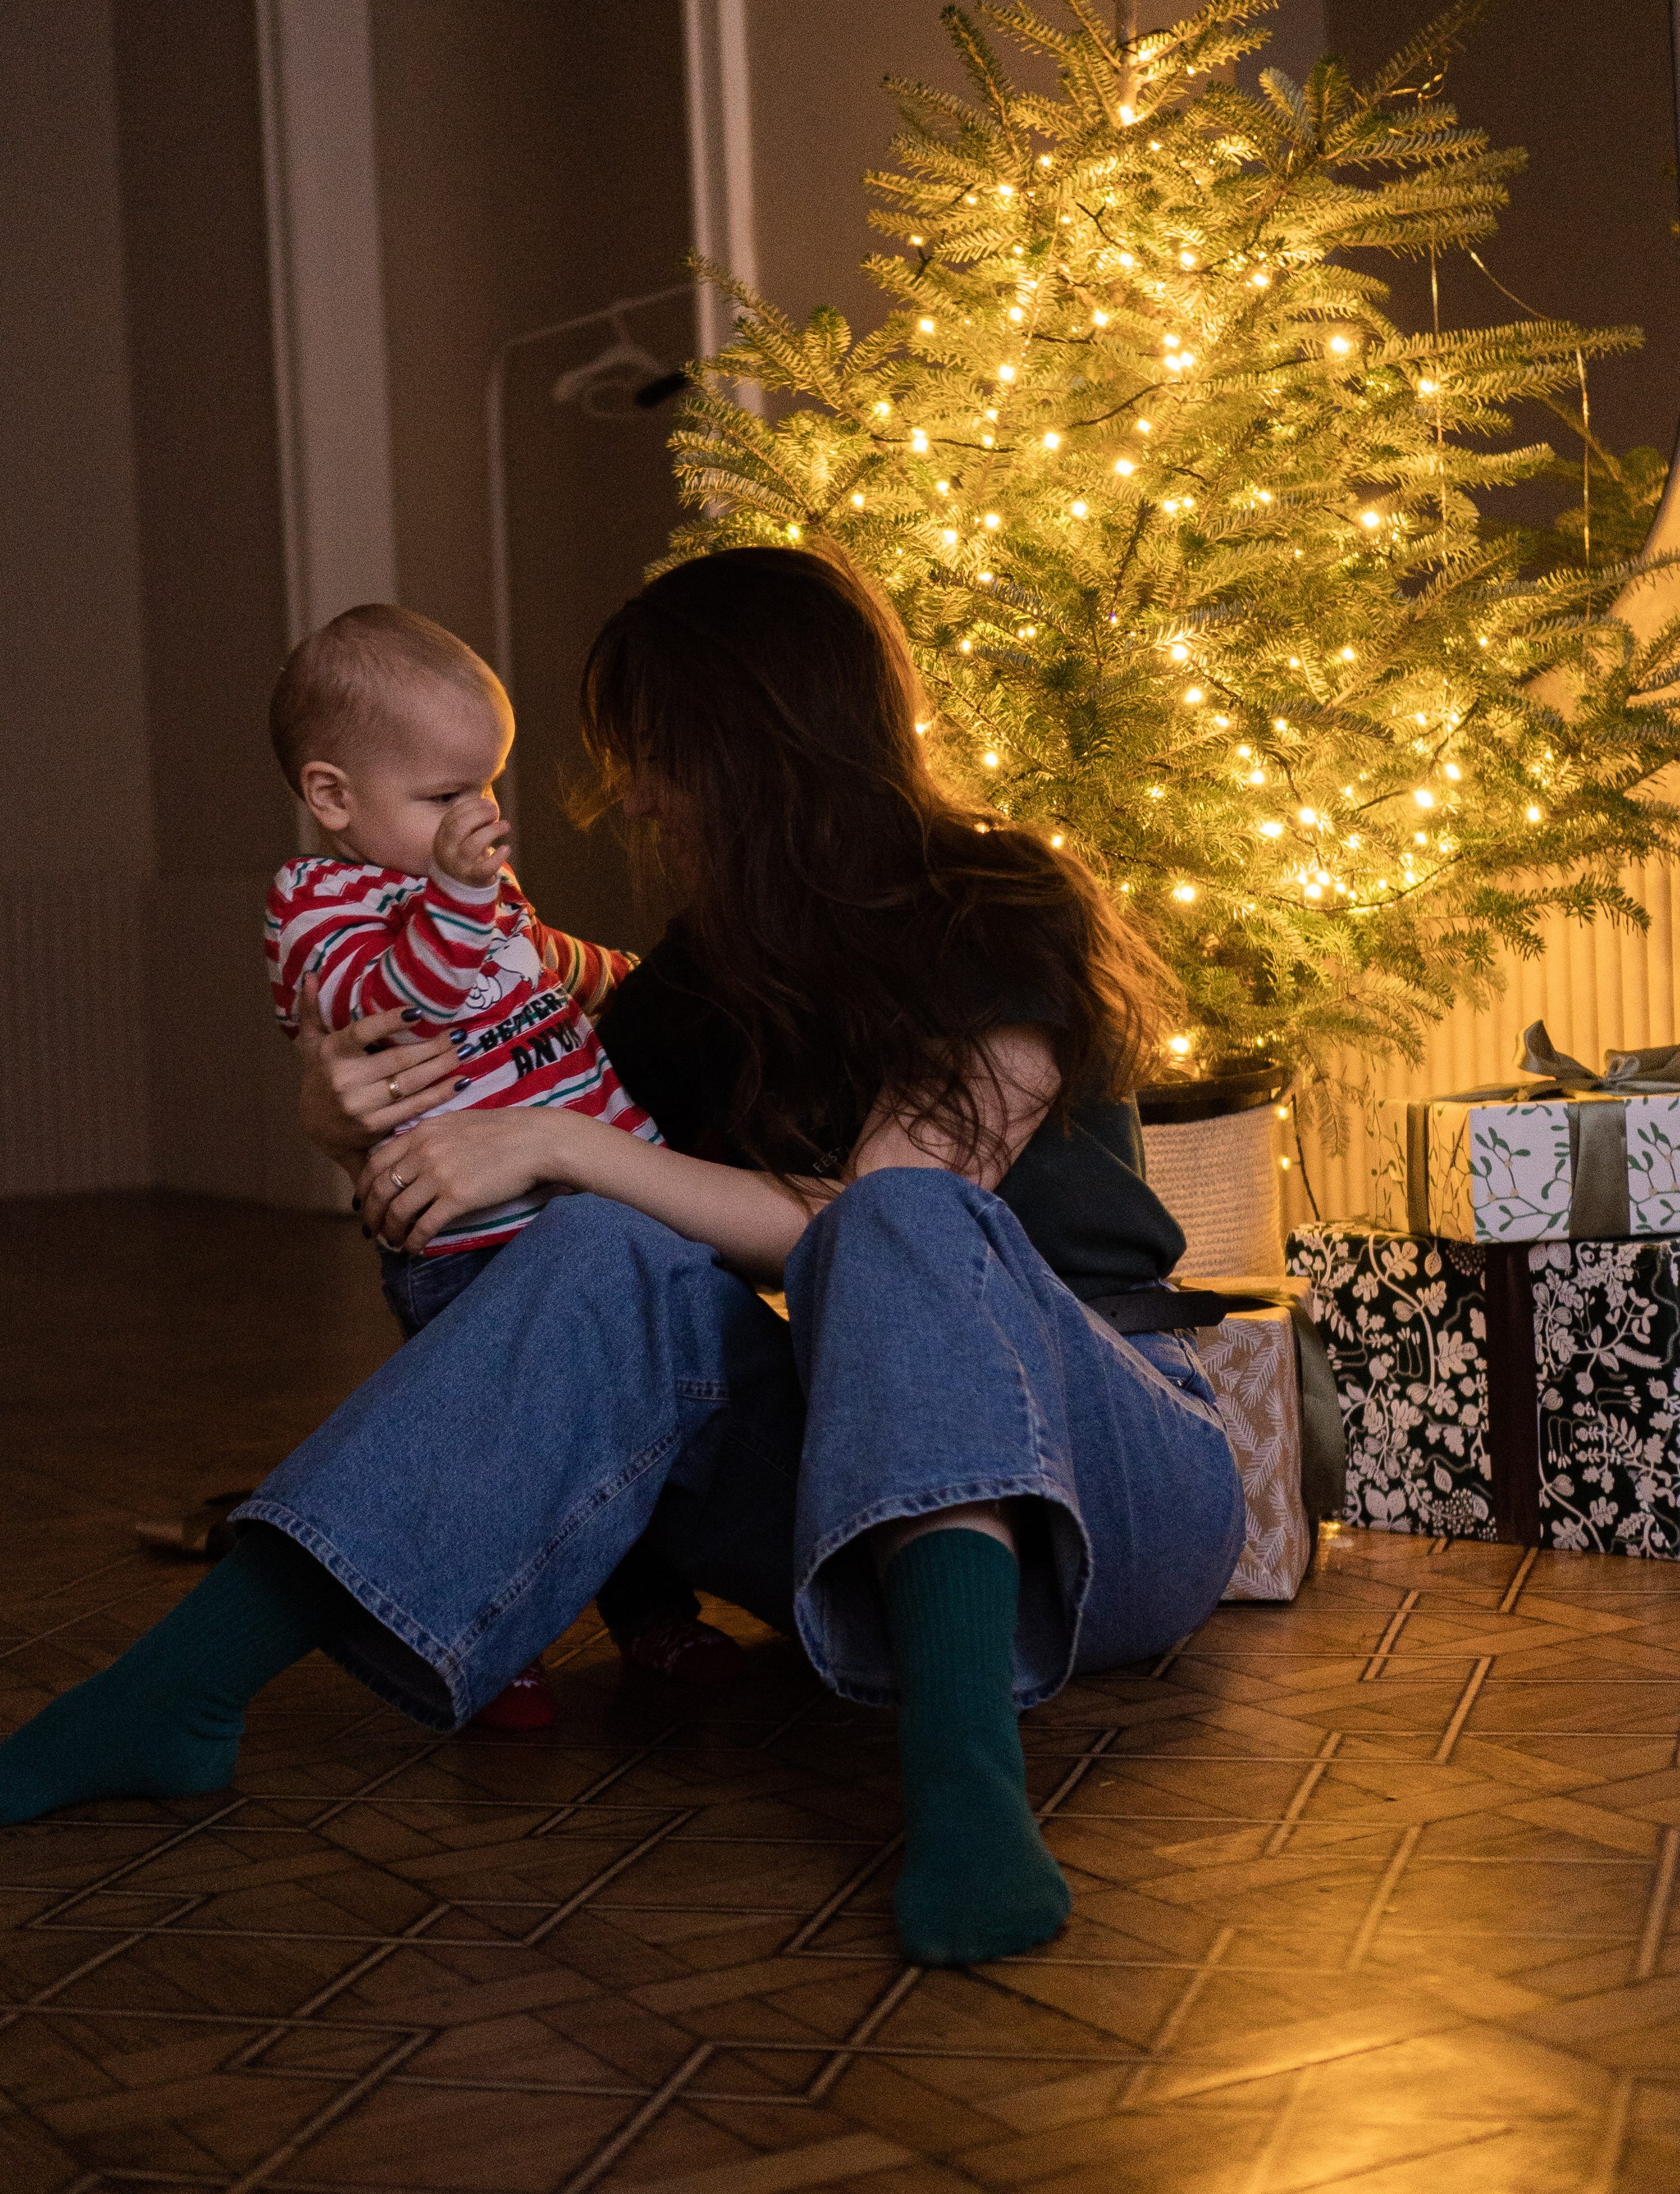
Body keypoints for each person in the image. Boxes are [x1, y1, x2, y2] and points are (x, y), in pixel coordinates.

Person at [0, 547, 1244, 1968]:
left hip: (1120, 1494)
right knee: (600, 1251)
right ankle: (180, 1695)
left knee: (885, 1221)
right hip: (853, 1517)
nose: (633, 798)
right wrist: (340, 1119)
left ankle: (963, 1784)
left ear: (750, 745)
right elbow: (493, 1156)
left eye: (652, 755)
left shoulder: (998, 901)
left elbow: (885, 1211)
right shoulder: (697, 987)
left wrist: (562, 1145)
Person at [265, 603, 738, 1706]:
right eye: (443, 796)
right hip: (471, 1236)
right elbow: (401, 997)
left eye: (485, 786)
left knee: (632, 1428)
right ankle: (495, 1634)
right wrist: (463, 899)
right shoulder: (318, 911)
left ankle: (656, 1616)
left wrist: (663, 981)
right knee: (508, 1454)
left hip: (600, 1205)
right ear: (333, 796)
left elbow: (559, 965)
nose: (478, 815)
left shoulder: (474, 900)